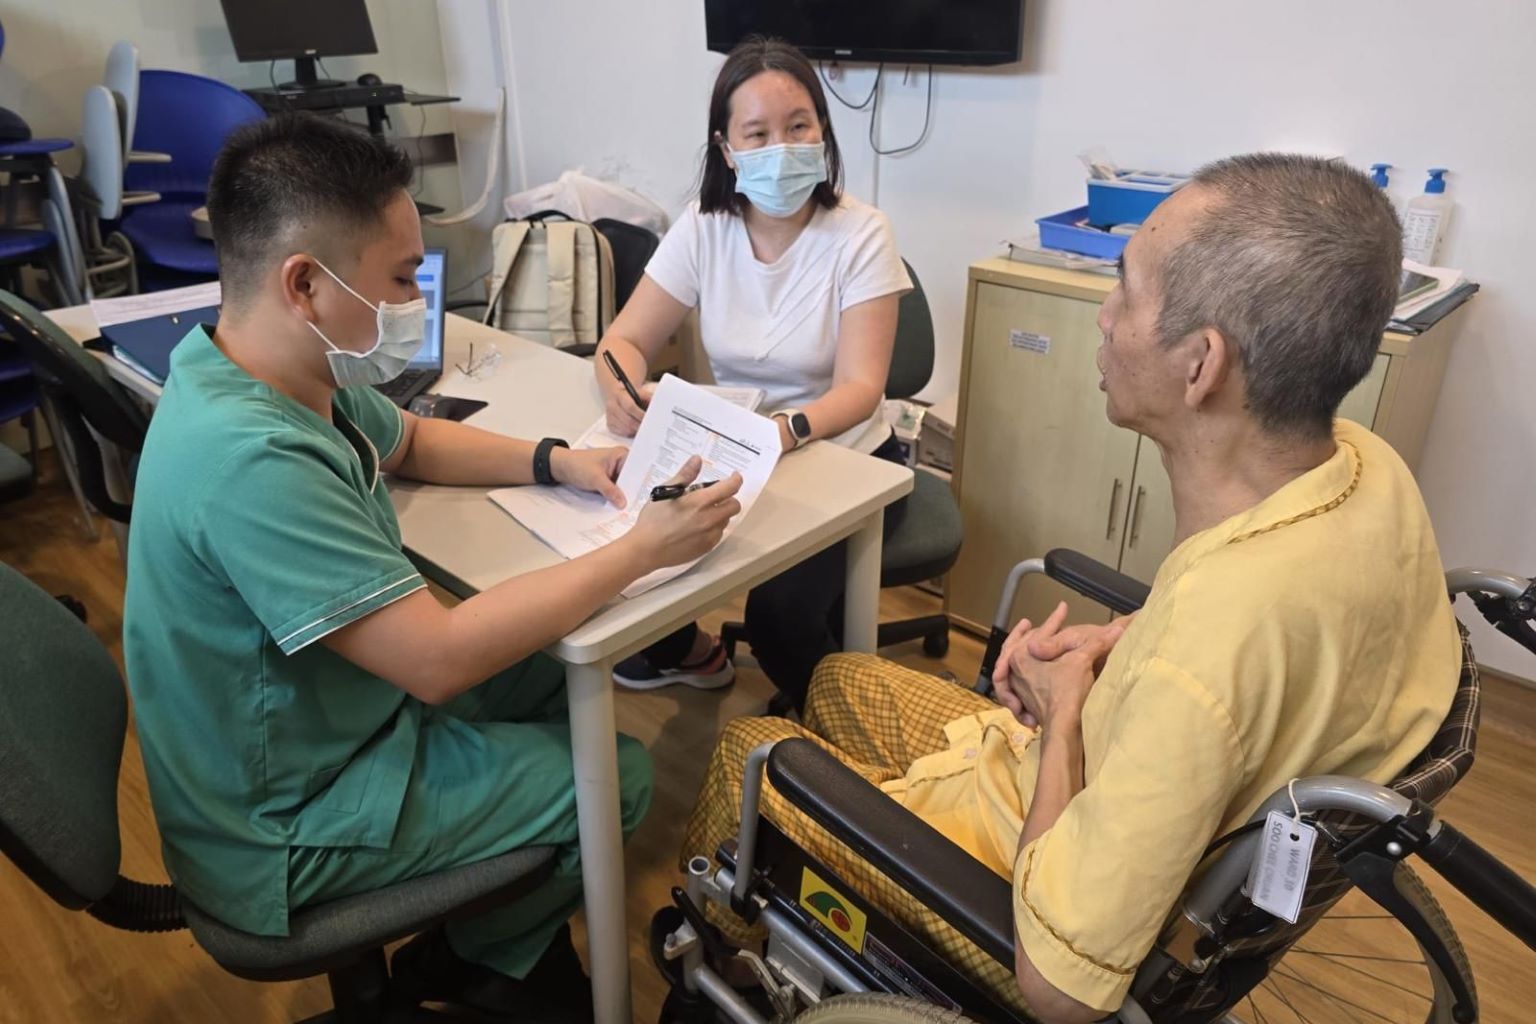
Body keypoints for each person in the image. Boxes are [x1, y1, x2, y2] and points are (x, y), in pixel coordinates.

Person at [679, 154, 1463, 1021]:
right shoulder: (1362, 465)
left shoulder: (1208, 659)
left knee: (747, 749)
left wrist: (1061, 720)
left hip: (1018, 892)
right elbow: (1239, 648)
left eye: (1125, 290)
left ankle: (719, 952)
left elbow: (1058, 991)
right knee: (833, 679)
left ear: (1201, 366)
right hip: (1109, 767)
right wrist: (1104, 646)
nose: (1104, 312)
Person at [122, 113, 742, 1022]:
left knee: (555, 674)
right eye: (403, 276)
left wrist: (555, 459)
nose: (418, 298)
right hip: (283, 822)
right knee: (615, 777)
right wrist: (637, 551)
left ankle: (485, 941)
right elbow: (439, 658)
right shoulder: (249, 459)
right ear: (306, 284)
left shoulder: (257, 367)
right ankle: (479, 963)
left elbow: (408, 436)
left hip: (329, 718)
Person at [593, 37, 912, 704]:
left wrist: (779, 432)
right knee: (619, 549)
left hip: (841, 453)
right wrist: (620, 386)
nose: (783, 146)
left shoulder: (862, 233)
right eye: (758, 133)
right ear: (727, 149)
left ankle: (837, 749)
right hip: (734, 445)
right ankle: (689, 651)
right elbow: (625, 337)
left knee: (780, 619)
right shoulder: (705, 225)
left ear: (823, 130)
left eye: (798, 126)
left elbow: (861, 390)